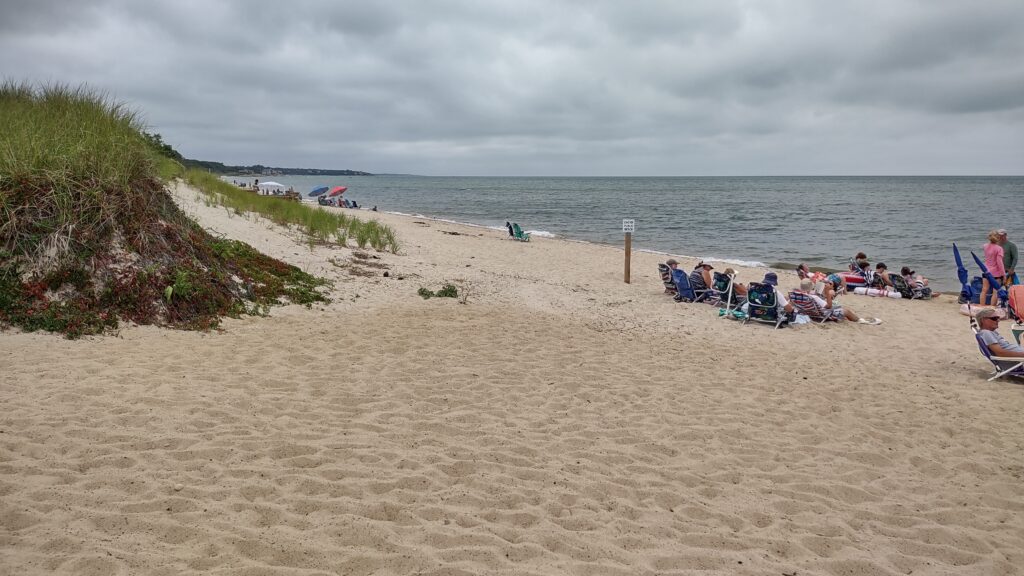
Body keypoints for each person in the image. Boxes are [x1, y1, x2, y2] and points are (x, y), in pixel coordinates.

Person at [794, 279, 879, 324]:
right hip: (822, 314)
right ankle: (860, 320)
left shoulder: (797, 295)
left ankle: (852, 319)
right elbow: (829, 306)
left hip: (808, 312)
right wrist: (827, 292)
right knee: (846, 311)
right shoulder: (814, 297)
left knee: (841, 311)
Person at [981, 230, 1006, 305]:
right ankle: (992, 307)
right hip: (996, 273)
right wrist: (1003, 274)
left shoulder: (985, 246)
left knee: (984, 290)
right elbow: (999, 263)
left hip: (986, 271)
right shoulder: (999, 249)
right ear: (998, 238)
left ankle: (981, 306)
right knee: (995, 291)